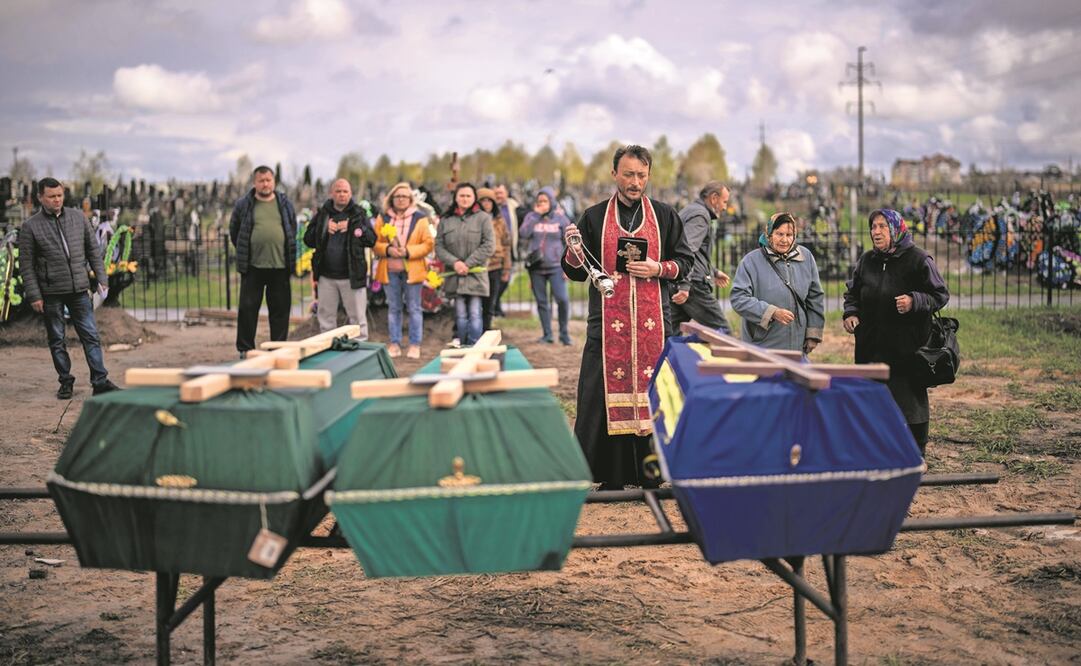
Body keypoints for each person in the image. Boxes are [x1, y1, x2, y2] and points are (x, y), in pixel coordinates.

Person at [561, 145, 694, 489]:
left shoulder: (665, 216)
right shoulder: (592, 217)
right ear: (614, 173)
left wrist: (657, 268)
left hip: (652, 326)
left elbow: (686, 262)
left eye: (642, 175)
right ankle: (610, 476)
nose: (635, 182)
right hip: (606, 327)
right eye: (629, 174)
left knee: (655, 395)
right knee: (598, 396)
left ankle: (653, 474)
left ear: (649, 175)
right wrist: (574, 250)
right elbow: (576, 271)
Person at [843, 208, 949, 456]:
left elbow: (940, 295)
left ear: (895, 228)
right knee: (872, 400)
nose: (876, 232)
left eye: (881, 226)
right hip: (871, 345)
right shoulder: (867, 260)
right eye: (873, 227)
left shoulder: (919, 259)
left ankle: (916, 454)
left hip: (907, 347)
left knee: (911, 402)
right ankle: (875, 452)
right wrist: (851, 313)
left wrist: (915, 301)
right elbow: (853, 293)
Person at [18, 177, 121, 398]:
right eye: (51, 196)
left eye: (60, 195)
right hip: (51, 292)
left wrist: (102, 279)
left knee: (91, 336)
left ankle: (100, 382)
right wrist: (35, 295)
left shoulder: (77, 218)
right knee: (57, 339)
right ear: (40, 198)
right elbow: (26, 265)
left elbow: (93, 250)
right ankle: (66, 382)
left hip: (79, 289)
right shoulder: (31, 227)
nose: (57, 200)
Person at [730, 212, 825, 353]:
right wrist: (771, 312)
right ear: (769, 234)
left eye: (789, 235)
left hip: (797, 346)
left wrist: (813, 334)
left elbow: (815, 297)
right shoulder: (751, 262)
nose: (784, 240)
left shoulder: (806, 258)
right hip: (762, 346)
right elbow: (738, 298)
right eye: (779, 234)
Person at [229, 165, 298, 358]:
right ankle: (245, 349)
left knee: (280, 312)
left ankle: (277, 349)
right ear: (255, 183)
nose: (265, 184)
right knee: (248, 309)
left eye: (268, 180)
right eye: (261, 180)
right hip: (253, 267)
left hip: (280, 266)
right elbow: (235, 231)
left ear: (274, 182)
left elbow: (291, 227)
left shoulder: (284, 204)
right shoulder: (244, 204)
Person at [302, 178, 376, 336]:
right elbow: (308, 239)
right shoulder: (323, 213)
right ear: (331, 193)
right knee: (326, 320)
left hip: (352, 277)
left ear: (350, 193)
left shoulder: (359, 213)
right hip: (326, 277)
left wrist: (353, 227)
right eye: (338, 191)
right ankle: (329, 353)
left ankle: (360, 355)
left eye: (345, 191)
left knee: (357, 319)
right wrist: (323, 228)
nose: (342, 194)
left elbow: (371, 239)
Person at [373, 182, 434, 359]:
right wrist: (387, 250)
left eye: (404, 196)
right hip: (390, 270)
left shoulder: (420, 218)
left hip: (412, 271)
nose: (400, 200)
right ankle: (395, 343)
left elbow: (428, 244)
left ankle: (415, 345)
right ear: (391, 199)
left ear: (410, 199)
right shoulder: (383, 218)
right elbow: (374, 243)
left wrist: (408, 252)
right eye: (397, 196)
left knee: (414, 308)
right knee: (394, 308)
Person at [435, 183, 494, 347]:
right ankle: (463, 346)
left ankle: (474, 348)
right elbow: (439, 246)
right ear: (456, 197)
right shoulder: (446, 220)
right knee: (460, 315)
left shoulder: (483, 218)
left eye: (468, 195)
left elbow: (489, 245)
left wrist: (467, 264)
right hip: (455, 277)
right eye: (462, 195)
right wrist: (455, 263)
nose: (465, 199)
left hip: (475, 276)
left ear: (474, 198)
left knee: (475, 313)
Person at [671, 181, 733, 334]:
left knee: (670, 334)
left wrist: (713, 271)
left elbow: (693, 252)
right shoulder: (700, 216)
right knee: (723, 333)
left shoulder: (690, 210)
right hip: (694, 285)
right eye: (724, 202)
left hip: (683, 281)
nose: (725, 207)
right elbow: (687, 251)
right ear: (713, 198)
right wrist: (684, 285)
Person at [519, 186, 572, 345]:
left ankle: (564, 334)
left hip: (556, 266)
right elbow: (523, 234)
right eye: (539, 201)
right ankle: (547, 334)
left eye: (545, 200)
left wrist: (568, 267)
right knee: (542, 302)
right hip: (536, 268)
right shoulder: (531, 217)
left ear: (551, 201)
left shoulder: (561, 218)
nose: (542, 203)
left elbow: (570, 242)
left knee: (562, 300)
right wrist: (536, 215)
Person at [476, 187, 512, 333]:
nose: (486, 204)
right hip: (477, 266)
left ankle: (486, 330)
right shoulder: (474, 220)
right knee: (476, 303)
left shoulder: (499, 221)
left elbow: (506, 244)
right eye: (482, 200)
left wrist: (506, 268)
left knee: (490, 303)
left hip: (495, 265)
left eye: (489, 201)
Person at [491, 184, 522, 316]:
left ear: (506, 193)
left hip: (510, 247)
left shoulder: (513, 207)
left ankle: (495, 303)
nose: (498, 195)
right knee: (496, 280)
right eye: (496, 193)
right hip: (495, 250)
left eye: (501, 193)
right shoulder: (491, 208)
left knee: (506, 279)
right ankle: (495, 307)